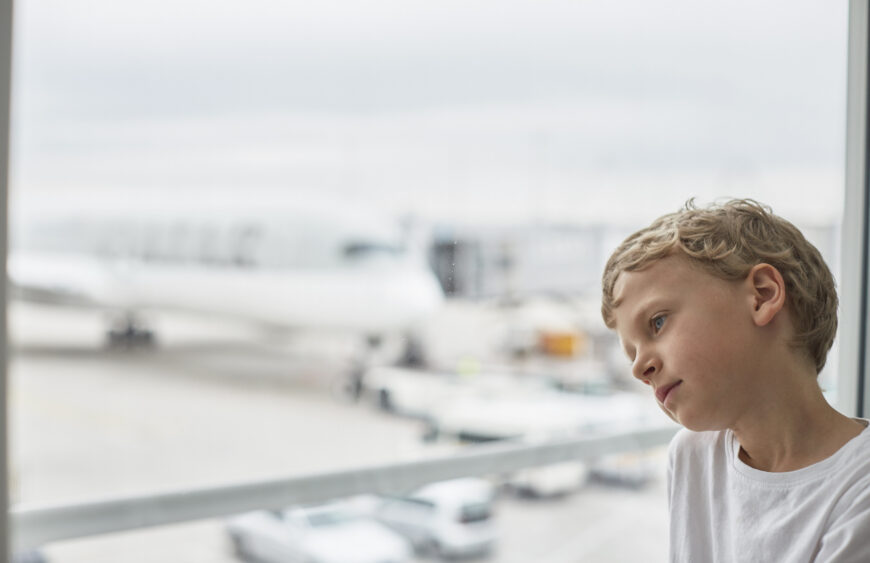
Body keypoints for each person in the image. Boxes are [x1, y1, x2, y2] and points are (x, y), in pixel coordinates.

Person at [600, 199, 870, 562]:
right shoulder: (693, 455)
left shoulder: (859, 490)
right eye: (632, 354)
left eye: (658, 322)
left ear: (762, 294)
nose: (638, 368)